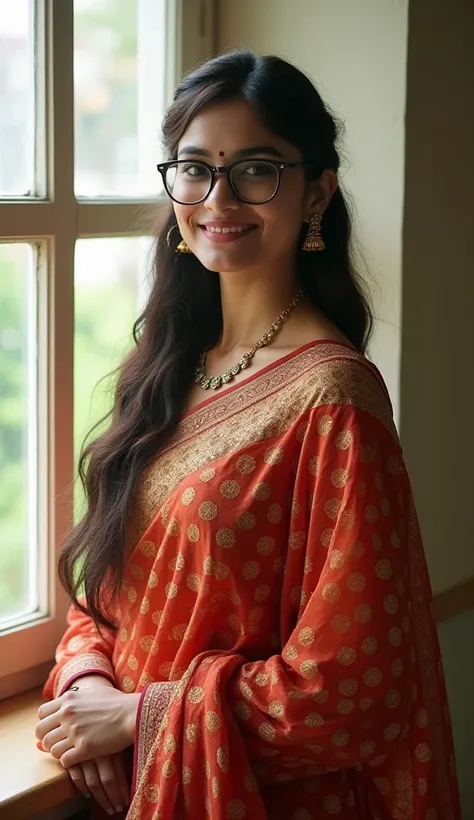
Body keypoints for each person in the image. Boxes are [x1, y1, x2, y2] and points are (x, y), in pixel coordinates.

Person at [35, 50, 460, 820]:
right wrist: (89, 687)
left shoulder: (334, 402)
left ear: (317, 192)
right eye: (195, 169)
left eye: (256, 170)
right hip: (128, 787)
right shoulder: (167, 369)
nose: (218, 197)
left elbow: (354, 687)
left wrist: (140, 717)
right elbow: (106, 594)